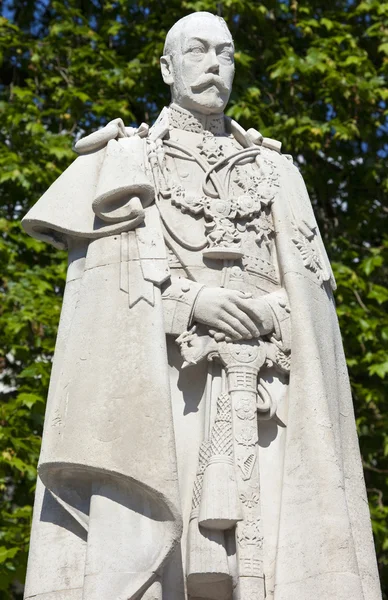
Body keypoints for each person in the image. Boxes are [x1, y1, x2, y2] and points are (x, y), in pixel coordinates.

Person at [22, 11, 381, 600]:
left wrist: (274, 313)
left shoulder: (277, 171)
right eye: (198, 50)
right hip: (169, 394)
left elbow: (314, 301)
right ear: (167, 67)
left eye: (227, 52)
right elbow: (104, 304)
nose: (215, 62)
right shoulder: (127, 160)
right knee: (170, 572)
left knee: (270, 573)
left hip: (270, 394)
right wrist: (191, 303)